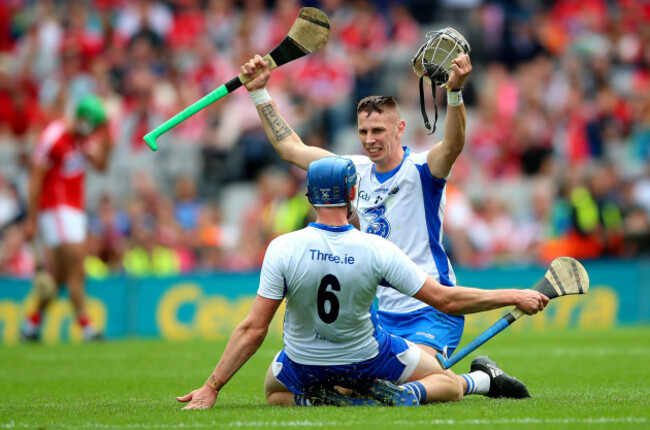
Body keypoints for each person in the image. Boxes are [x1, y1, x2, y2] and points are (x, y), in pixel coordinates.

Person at [177, 156, 548, 409]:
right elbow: (445, 300)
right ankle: (446, 388)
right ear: (353, 193)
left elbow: (253, 329)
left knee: (274, 393)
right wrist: (514, 294)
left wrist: (212, 387)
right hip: (367, 359)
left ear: (310, 196)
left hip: (304, 363)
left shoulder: (282, 248)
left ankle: (327, 398)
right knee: (449, 383)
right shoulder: (376, 249)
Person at [238, 53, 502, 397]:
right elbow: (291, 149)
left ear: (399, 128)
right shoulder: (352, 170)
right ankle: (483, 379)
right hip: (379, 312)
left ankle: (477, 381)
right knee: (345, 388)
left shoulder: (422, 171)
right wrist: (259, 92)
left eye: (378, 130)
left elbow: (453, 144)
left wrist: (454, 93)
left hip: (429, 308)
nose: (370, 138)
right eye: (363, 131)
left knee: (400, 383)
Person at [20, 94, 112, 342]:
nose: (91, 130)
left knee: (60, 274)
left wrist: (108, 137)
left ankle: (31, 323)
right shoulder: (54, 136)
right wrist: (31, 219)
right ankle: (86, 325)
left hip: (74, 209)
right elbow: (36, 178)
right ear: (80, 118)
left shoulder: (83, 139)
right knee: (77, 263)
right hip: (55, 208)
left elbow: (102, 165)